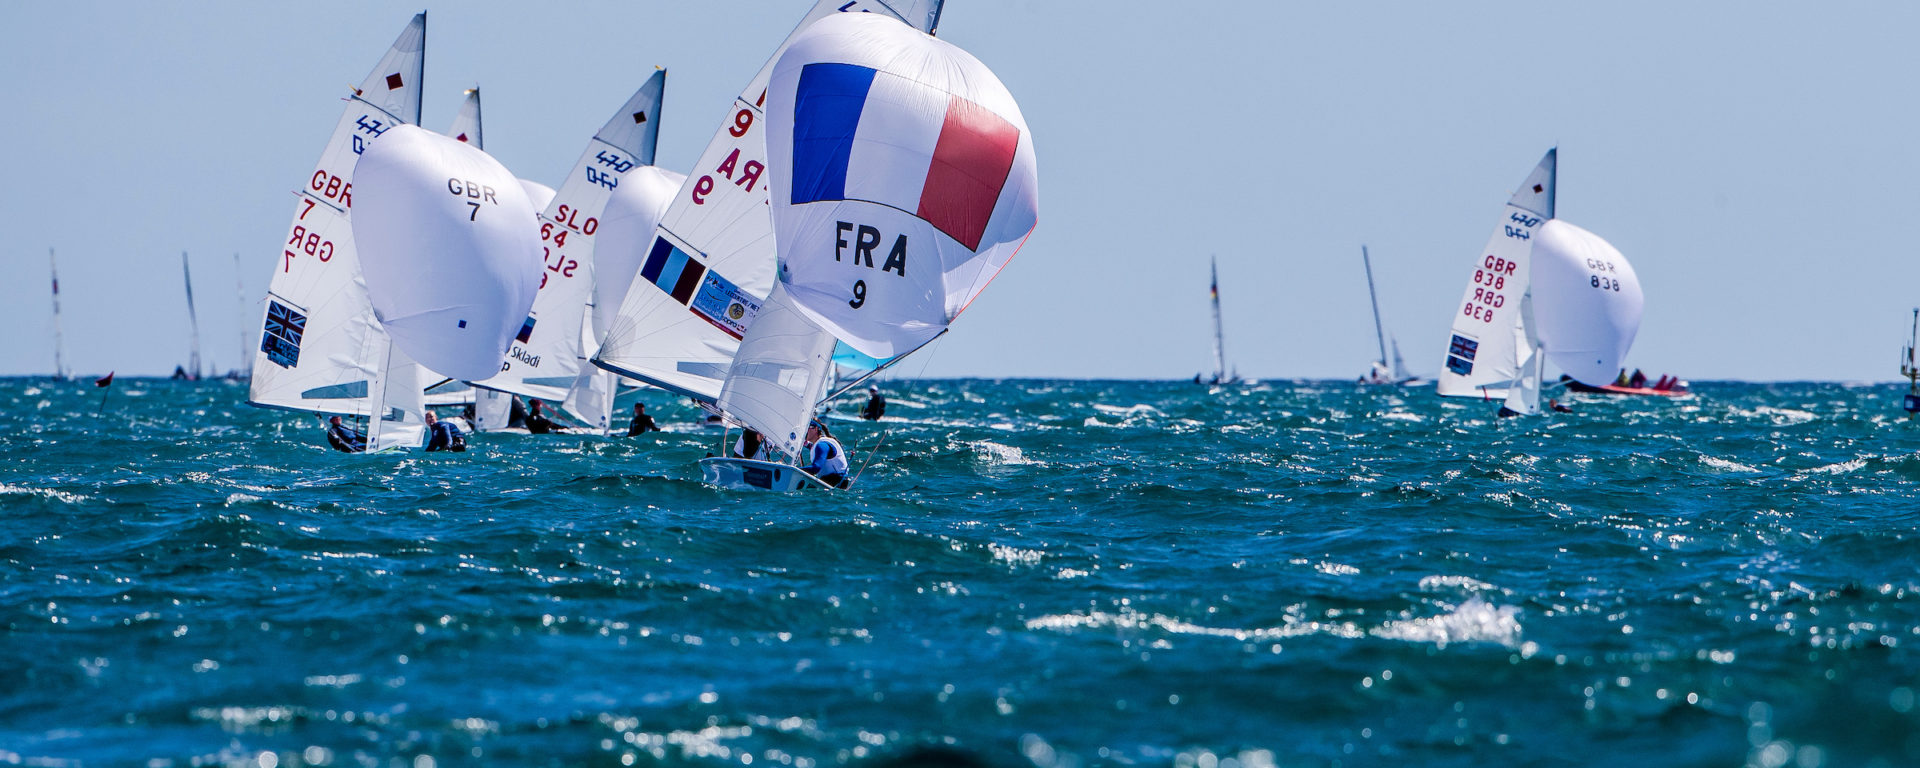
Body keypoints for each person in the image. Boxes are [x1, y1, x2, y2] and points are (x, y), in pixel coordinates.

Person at [800, 420, 850, 488]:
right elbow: (812, 447)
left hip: (835, 482)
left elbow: (816, 468)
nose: (804, 431)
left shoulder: (822, 444)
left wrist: (794, 470)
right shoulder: (818, 443)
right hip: (831, 482)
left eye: (807, 428)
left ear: (816, 429)